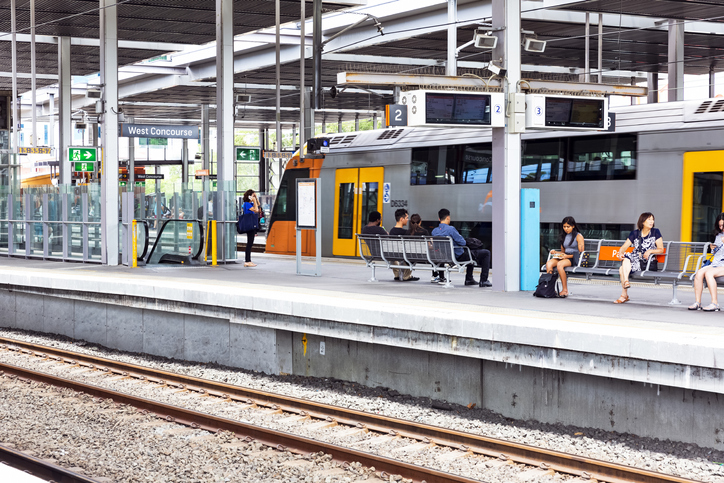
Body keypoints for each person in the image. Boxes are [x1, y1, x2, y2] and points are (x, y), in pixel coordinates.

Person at [431, 208, 491, 287]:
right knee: (486, 253)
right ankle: (483, 280)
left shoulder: (434, 231)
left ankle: (469, 279)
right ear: (448, 217)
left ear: (439, 219)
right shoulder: (451, 229)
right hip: (458, 256)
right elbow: (463, 242)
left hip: (445, 255)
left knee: (470, 252)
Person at [614, 212, 664, 304]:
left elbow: (661, 249)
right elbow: (624, 247)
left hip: (647, 262)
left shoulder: (655, 232)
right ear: (643, 221)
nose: (651, 221)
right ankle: (625, 284)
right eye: (649, 219)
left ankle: (624, 294)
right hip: (635, 260)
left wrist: (650, 251)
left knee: (622, 269)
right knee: (625, 259)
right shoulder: (635, 233)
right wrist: (620, 253)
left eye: (652, 219)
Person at [689, 213, 724, 311]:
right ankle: (697, 302)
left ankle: (715, 303)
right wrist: (712, 248)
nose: (721, 228)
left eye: (723, 225)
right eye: (720, 225)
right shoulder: (719, 235)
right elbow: (717, 252)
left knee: (709, 273)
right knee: (699, 273)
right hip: (717, 263)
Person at [545, 216, 584, 298]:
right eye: (564, 226)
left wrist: (567, 256)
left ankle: (565, 290)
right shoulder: (564, 236)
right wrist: (555, 252)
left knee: (560, 265)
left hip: (574, 258)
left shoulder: (578, 236)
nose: (566, 229)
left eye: (568, 227)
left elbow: (581, 253)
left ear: (573, 226)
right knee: (549, 264)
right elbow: (563, 252)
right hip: (565, 257)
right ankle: (550, 288)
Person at [389, 208, 419, 282]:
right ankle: (406, 276)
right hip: (404, 255)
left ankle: (397, 275)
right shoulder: (406, 232)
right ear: (402, 219)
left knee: (395, 255)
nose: (408, 220)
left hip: (392, 255)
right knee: (411, 254)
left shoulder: (391, 231)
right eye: (407, 218)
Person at [241, 189, 260, 267]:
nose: (254, 197)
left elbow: (258, 206)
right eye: (253, 195)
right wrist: (254, 200)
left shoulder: (250, 203)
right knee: (249, 243)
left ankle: (249, 260)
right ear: (249, 196)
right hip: (249, 225)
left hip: (251, 225)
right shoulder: (246, 204)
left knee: (250, 243)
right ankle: (247, 261)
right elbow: (256, 210)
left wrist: (255, 198)